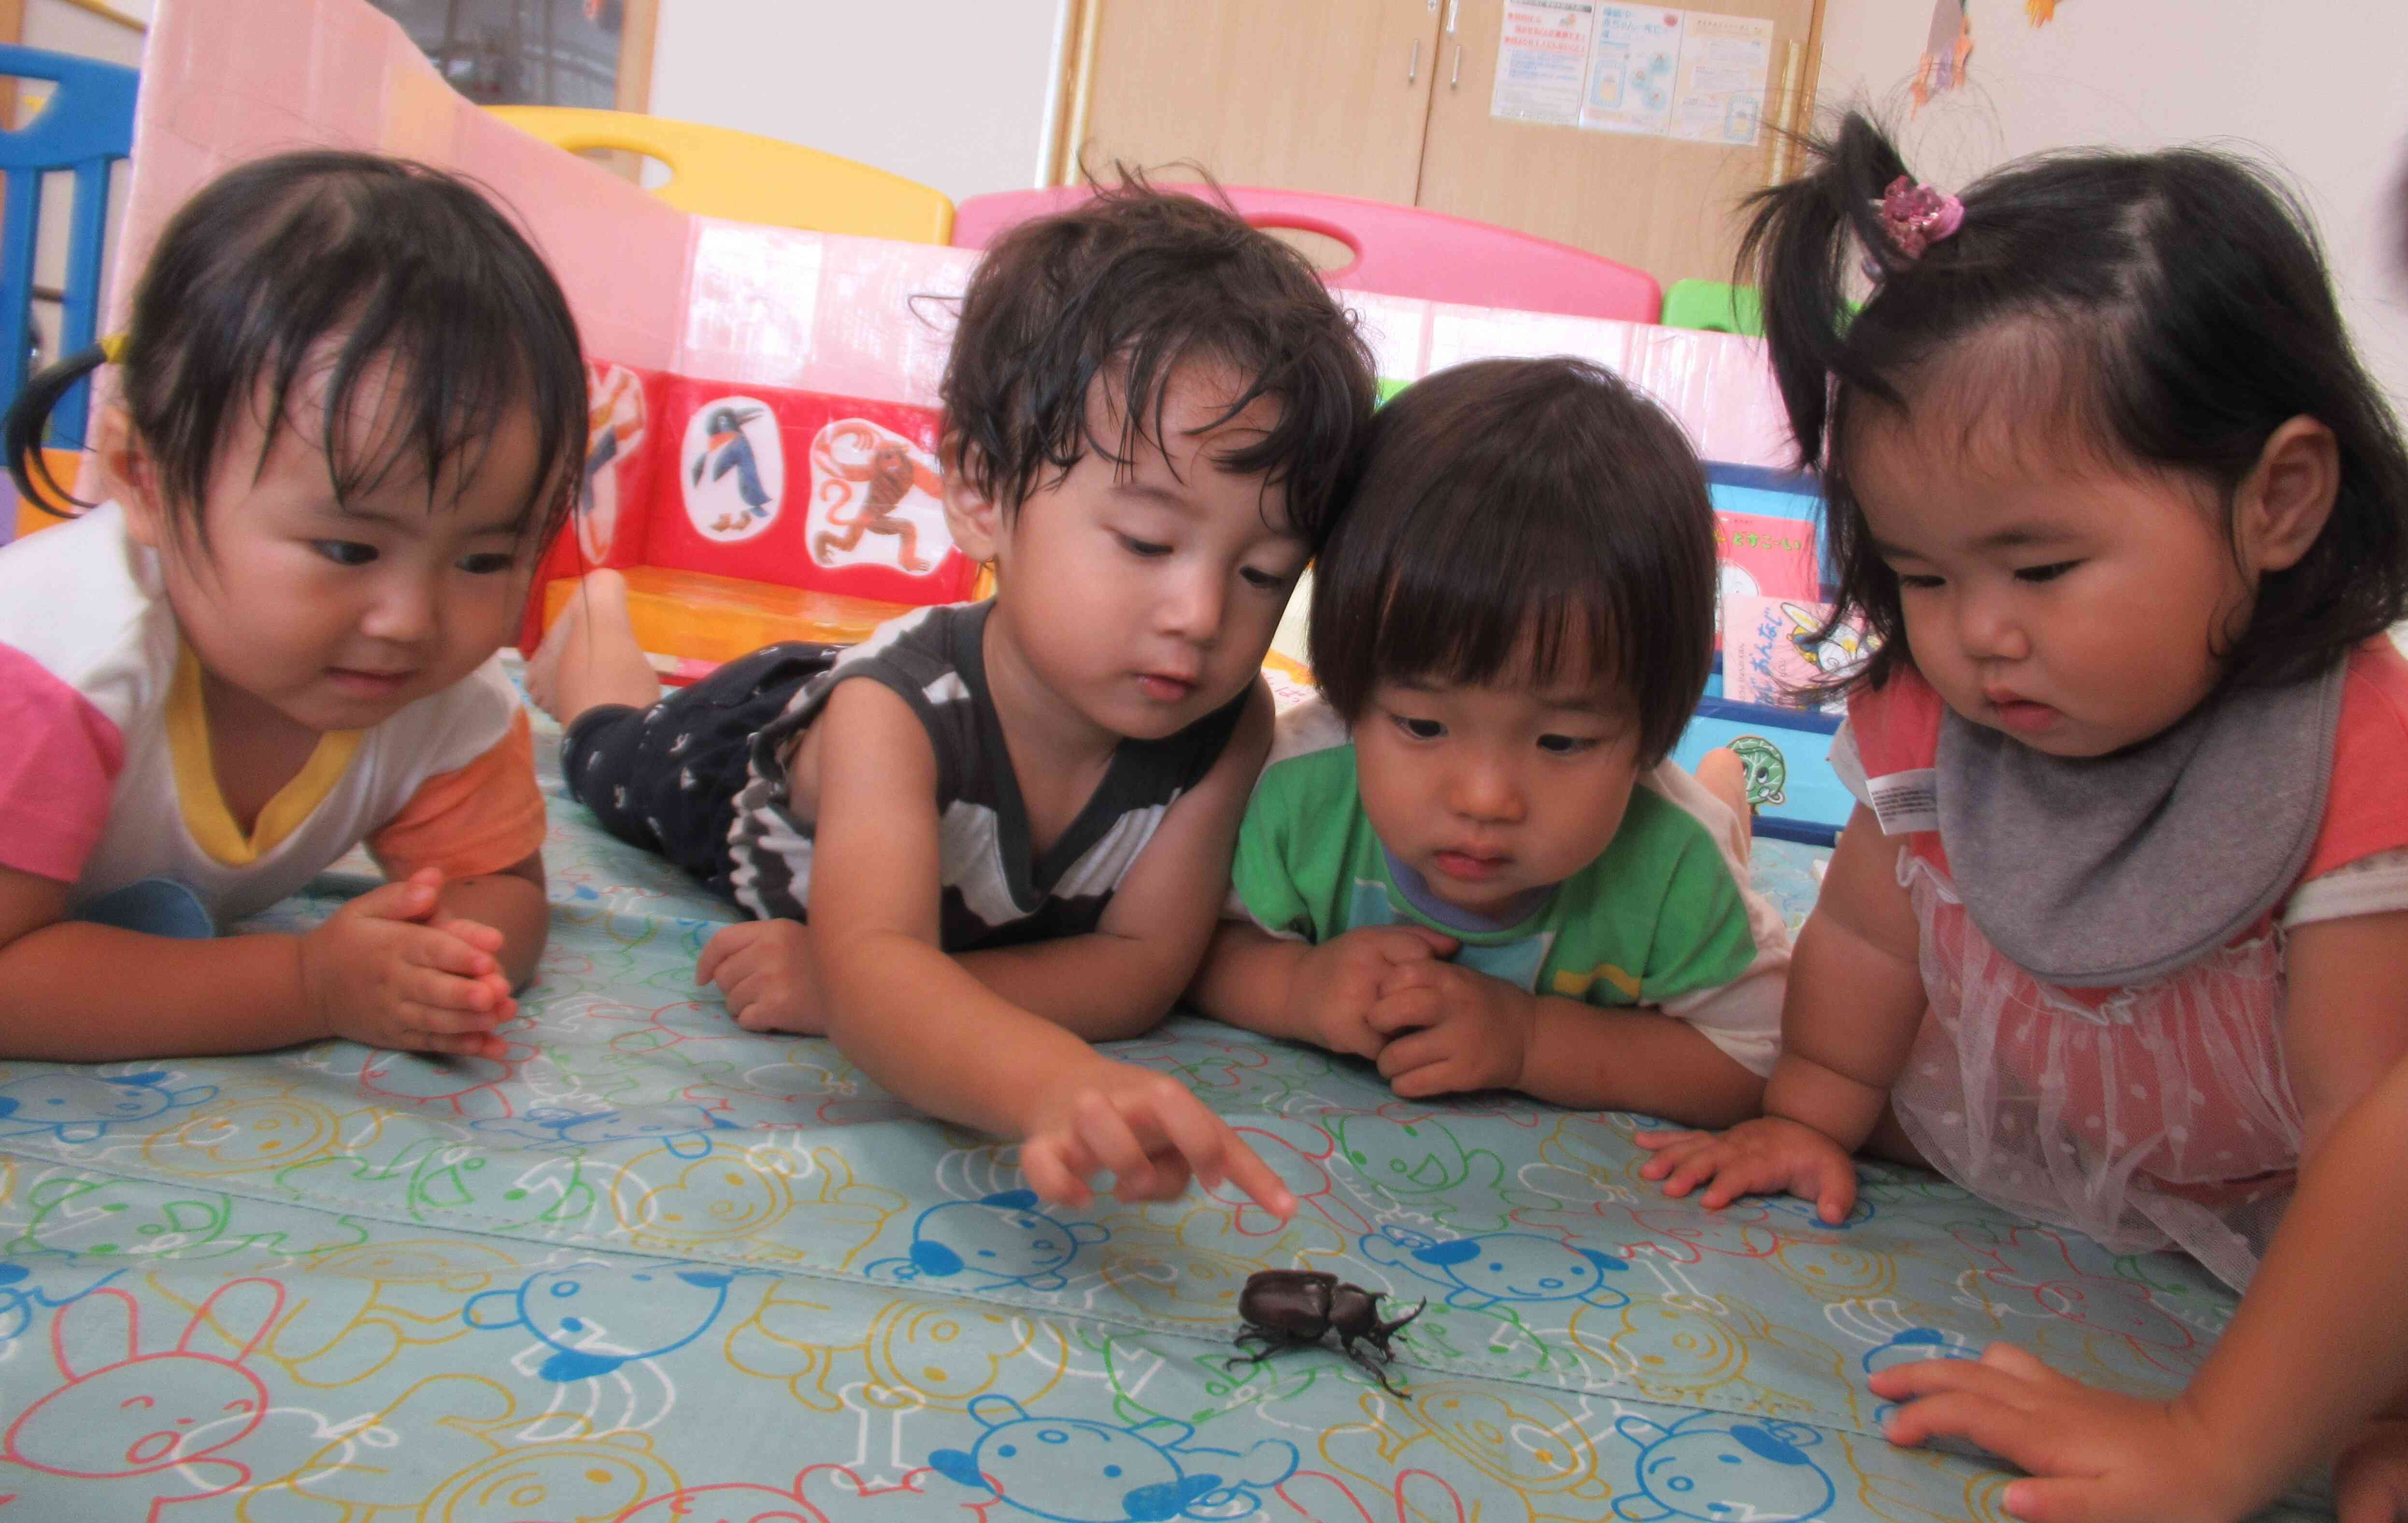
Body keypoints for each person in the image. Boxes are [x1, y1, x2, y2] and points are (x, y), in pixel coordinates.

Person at [1633, 114, 2408, 1520]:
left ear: (2279, 500)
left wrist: (2211, 1442)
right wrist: (1811, 1107)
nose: (1976, 635)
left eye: (2041, 568)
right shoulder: (1942, 714)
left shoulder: (2347, 750)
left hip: (2321, 1180)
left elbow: (2379, 1129)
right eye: (1923, 574)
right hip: (2059, 1116)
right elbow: (1871, 934)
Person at [527, 182, 1376, 1216]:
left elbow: (1139, 969)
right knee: (608, 750)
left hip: (903, 732)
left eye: (1262, 574)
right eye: (1148, 543)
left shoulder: (1225, 726)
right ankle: (598, 632)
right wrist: (1037, 1072)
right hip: (735, 753)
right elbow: (880, 965)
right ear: (980, 491)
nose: (1200, 614)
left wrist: (849, 983)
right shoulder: (894, 717)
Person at [0, 151, 585, 1062]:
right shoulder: (54, 674)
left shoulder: (447, 699)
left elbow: (501, 887)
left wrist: (436, 969)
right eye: (348, 549)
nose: (411, 619)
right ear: (143, 479)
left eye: (484, 558)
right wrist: (307, 986)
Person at [1188, 357, 1789, 1126]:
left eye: (1563, 741)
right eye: (1422, 726)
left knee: (1717, 822)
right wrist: (1296, 990)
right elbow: (1194, 948)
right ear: (1349, 695)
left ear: (1648, 728)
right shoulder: (1296, 790)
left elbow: (1758, 1059)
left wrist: (1530, 1041)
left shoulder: (1676, 861)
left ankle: (1725, 788)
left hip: (1691, 824)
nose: (1483, 798)